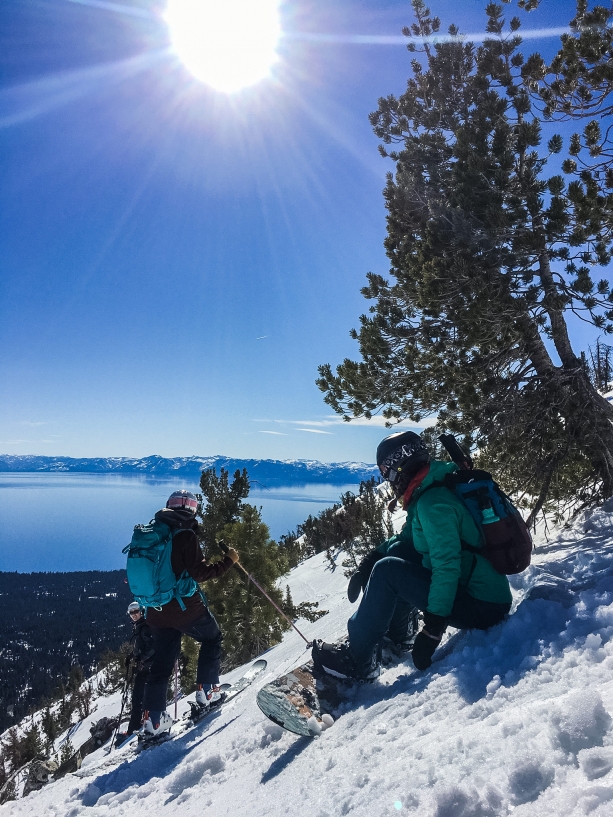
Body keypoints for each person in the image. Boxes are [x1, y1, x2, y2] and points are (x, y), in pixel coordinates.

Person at [312, 431, 512, 680]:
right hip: (478, 593)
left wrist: (433, 630)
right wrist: (368, 562)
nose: (388, 480)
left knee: (388, 571)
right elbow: (407, 540)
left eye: (387, 472)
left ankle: (356, 661)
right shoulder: (432, 489)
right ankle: (399, 633)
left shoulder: (433, 504)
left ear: (400, 466)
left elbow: (447, 567)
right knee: (397, 553)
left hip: (483, 606)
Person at [139, 490, 239, 737]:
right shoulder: (185, 535)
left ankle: (153, 721)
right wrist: (229, 561)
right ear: (191, 509)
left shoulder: (154, 534)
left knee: (161, 665)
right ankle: (207, 693)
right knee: (212, 637)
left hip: (154, 610)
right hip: (183, 608)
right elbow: (201, 573)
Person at [114, 602, 155, 746]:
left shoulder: (145, 627)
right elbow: (142, 646)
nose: (134, 615)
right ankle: (140, 724)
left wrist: (142, 660)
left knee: (138, 698)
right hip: (144, 667)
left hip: (147, 668)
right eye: (131, 613)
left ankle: (134, 729)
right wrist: (132, 656)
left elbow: (152, 647)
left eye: (136, 611)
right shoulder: (141, 626)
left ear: (142, 611)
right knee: (138, 697)